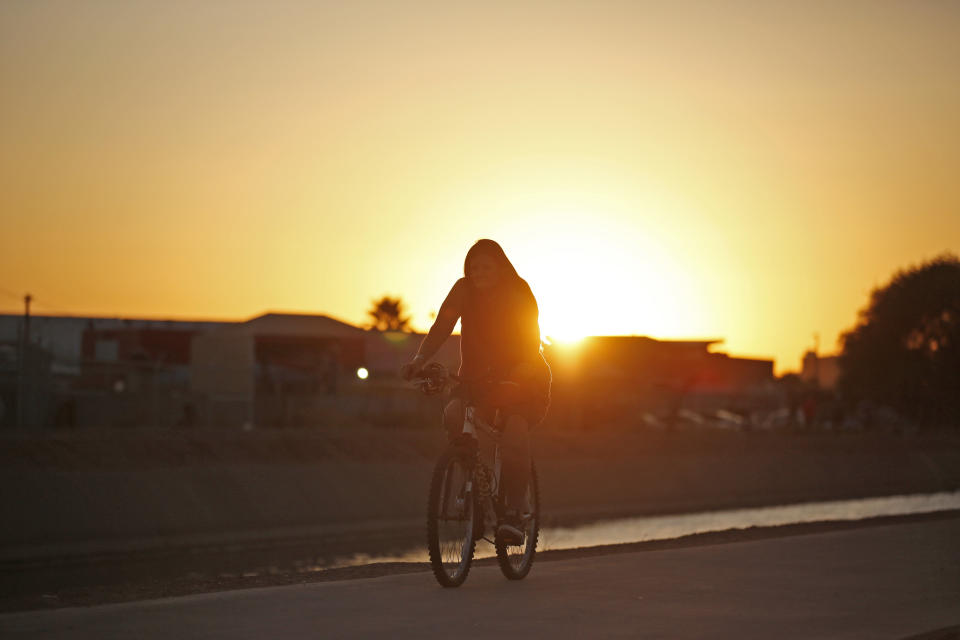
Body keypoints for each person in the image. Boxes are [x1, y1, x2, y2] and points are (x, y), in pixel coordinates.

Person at [402, 239, 551, 544]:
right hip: (477, 379)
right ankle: (476, 482)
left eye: (486, 266)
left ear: (501, 268)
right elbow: (442, 325)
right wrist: (419, 360)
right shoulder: (463, 289)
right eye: (474, 266)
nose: (479, 272)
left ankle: (513, 513)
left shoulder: (518, 291)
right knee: (454, 415)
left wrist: (518, 373)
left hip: (522, 378)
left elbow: (530, 338)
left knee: (514, 434)